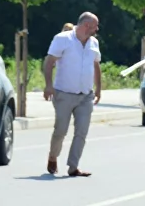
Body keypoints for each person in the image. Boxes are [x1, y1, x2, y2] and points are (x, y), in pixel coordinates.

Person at [42, 12, 102, 176]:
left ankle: (73, 167)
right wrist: (48, 85)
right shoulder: (63, 39)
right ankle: (53, 156)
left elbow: (96, 65)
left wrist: (98, 88)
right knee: (60, 130)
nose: (97, 29)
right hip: (64, 93)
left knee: (81, 132)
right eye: (95, 26)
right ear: (86, 26)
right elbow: (49, 62)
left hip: (85, 95)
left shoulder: (94, 43)